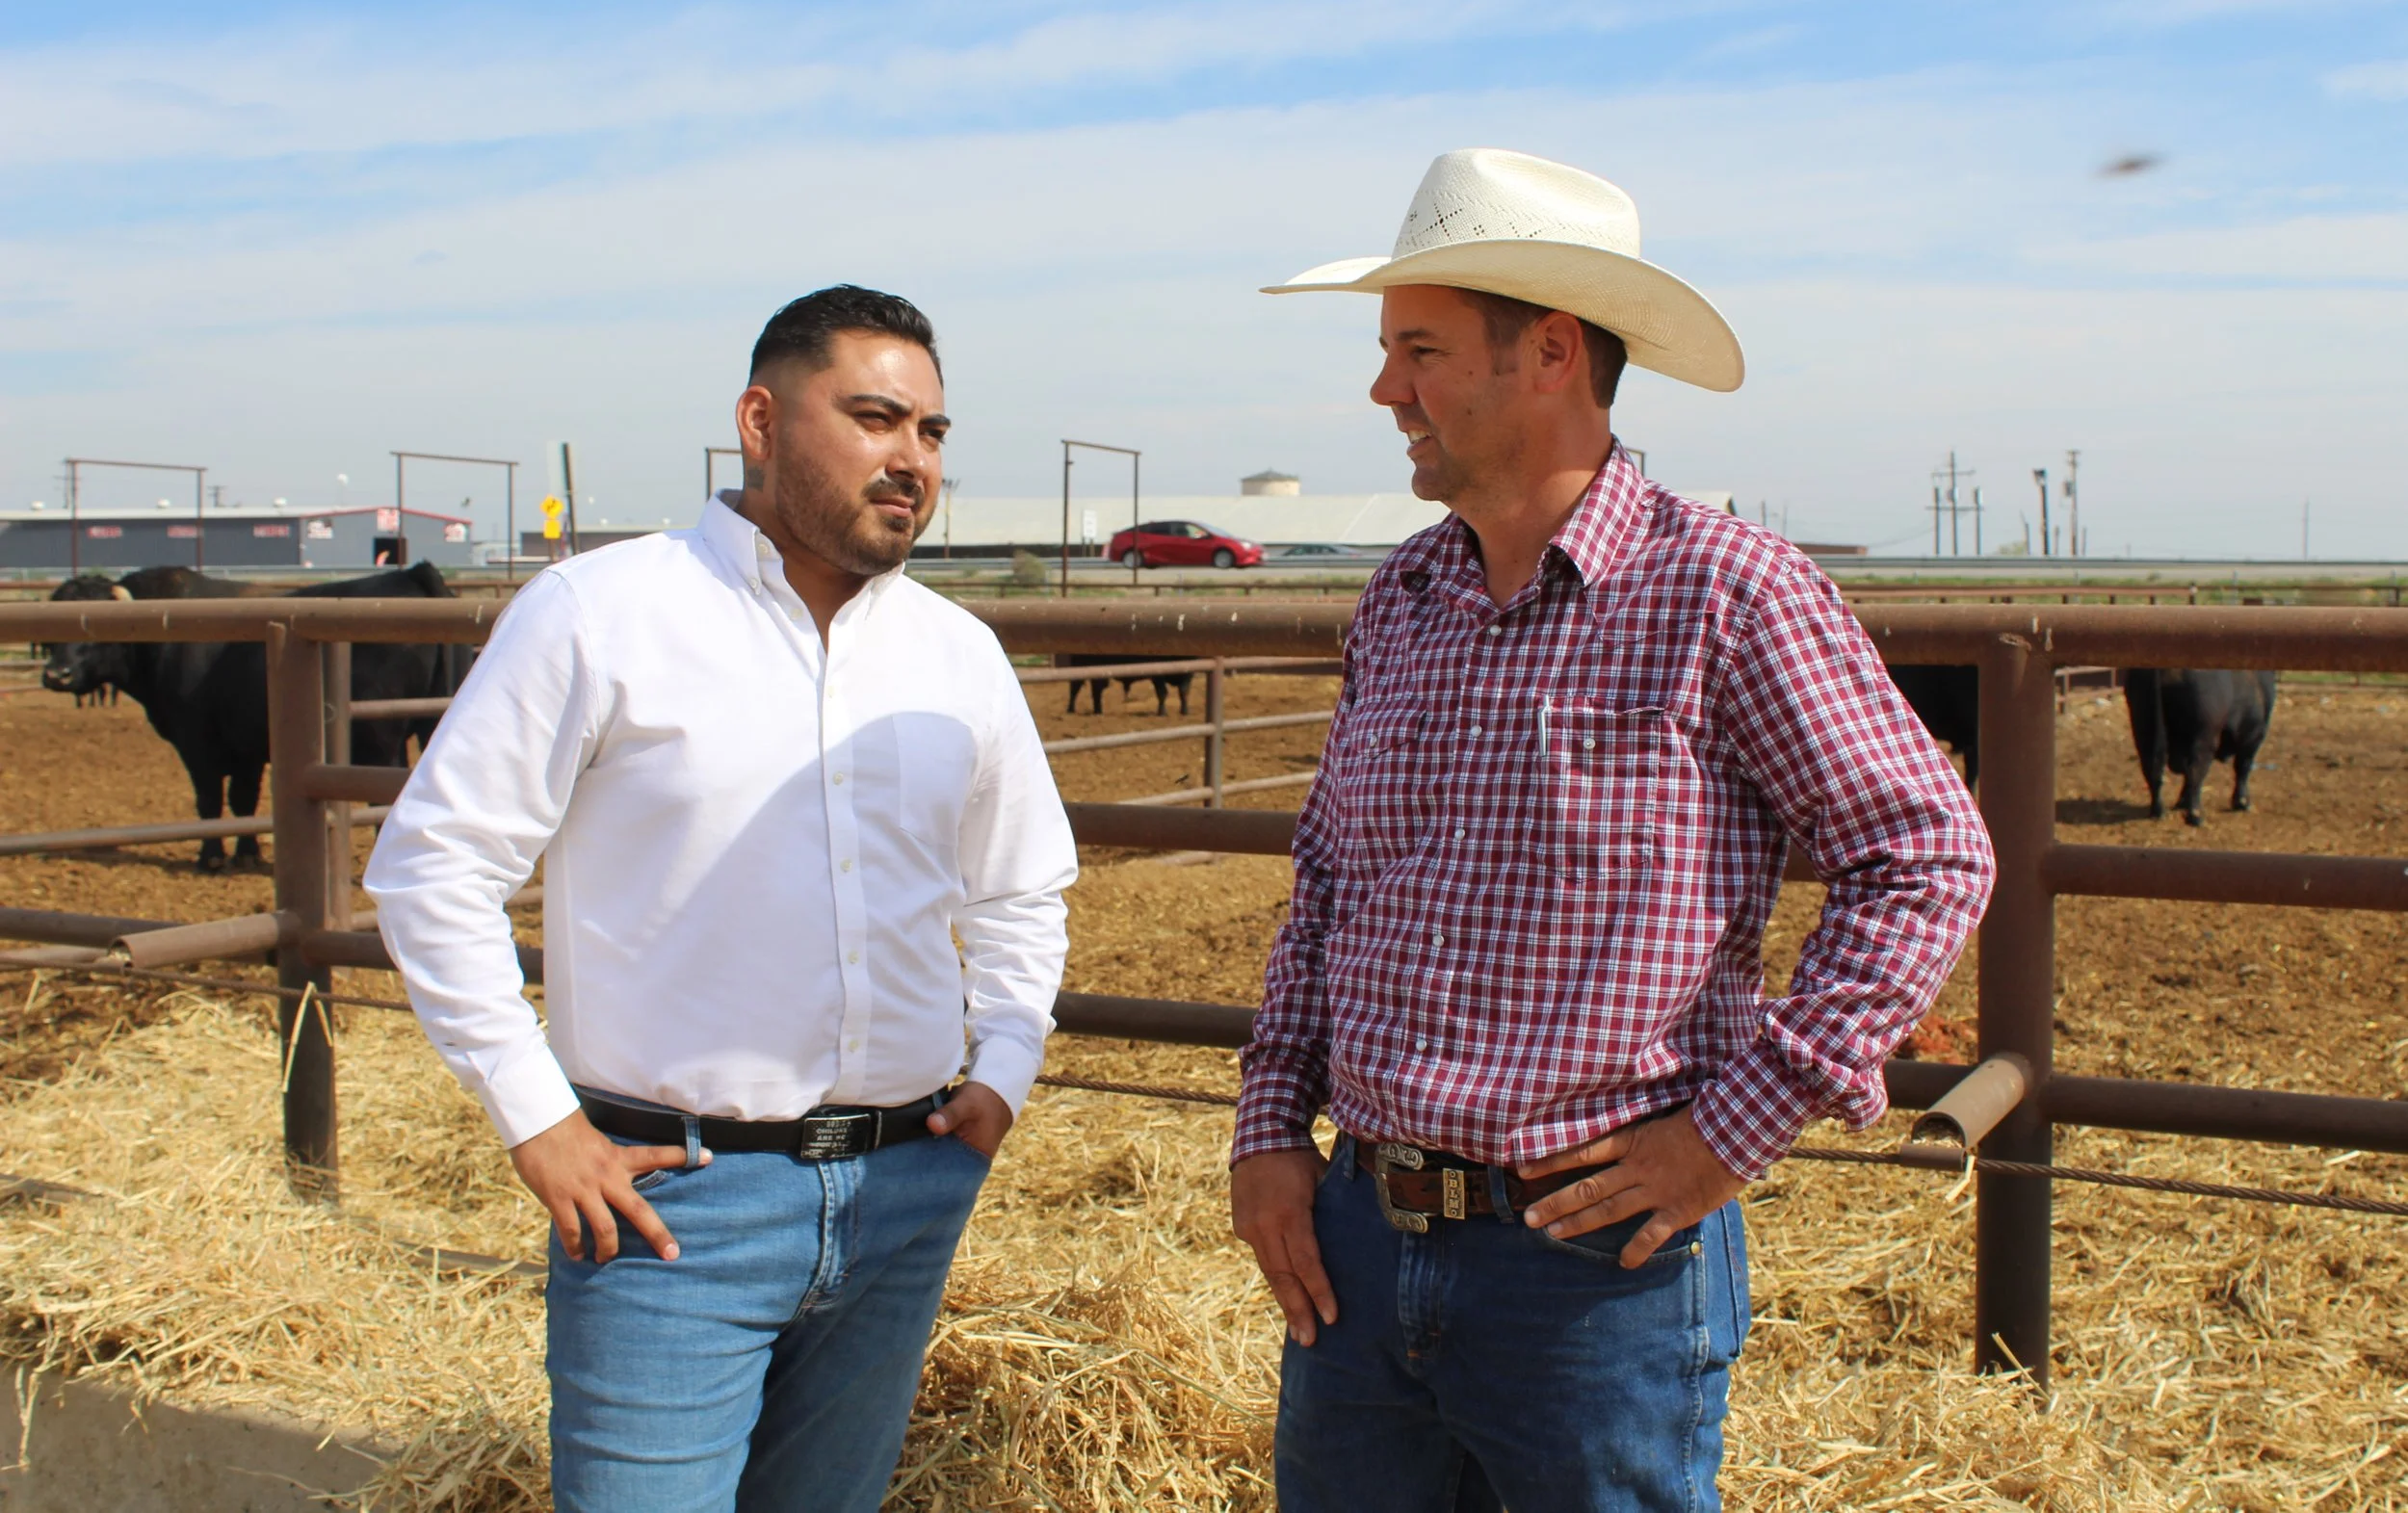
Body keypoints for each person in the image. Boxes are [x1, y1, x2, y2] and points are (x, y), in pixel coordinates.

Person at [1229, 148, 1996, 1512]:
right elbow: (1330, 884)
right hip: (1360, 1228)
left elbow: (1926, 854)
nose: (1383, 389)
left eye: (1418, 349)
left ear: (1553, 354)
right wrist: (1269, 1127)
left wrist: (1729, 1133)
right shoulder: (1403, 597)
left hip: (1592, 1263)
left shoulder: (1728, 590)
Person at [366, 285, 1077, 1512]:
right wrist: (537, 1117)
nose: (911, 458)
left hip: (905, 1183)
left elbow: (1022, 886)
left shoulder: (956, 651)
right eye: (873, 417)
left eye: (934, 431)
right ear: (760, 418)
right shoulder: (601, 613)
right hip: (670, 1204)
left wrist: (1006, 1062)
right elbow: (433, 865)